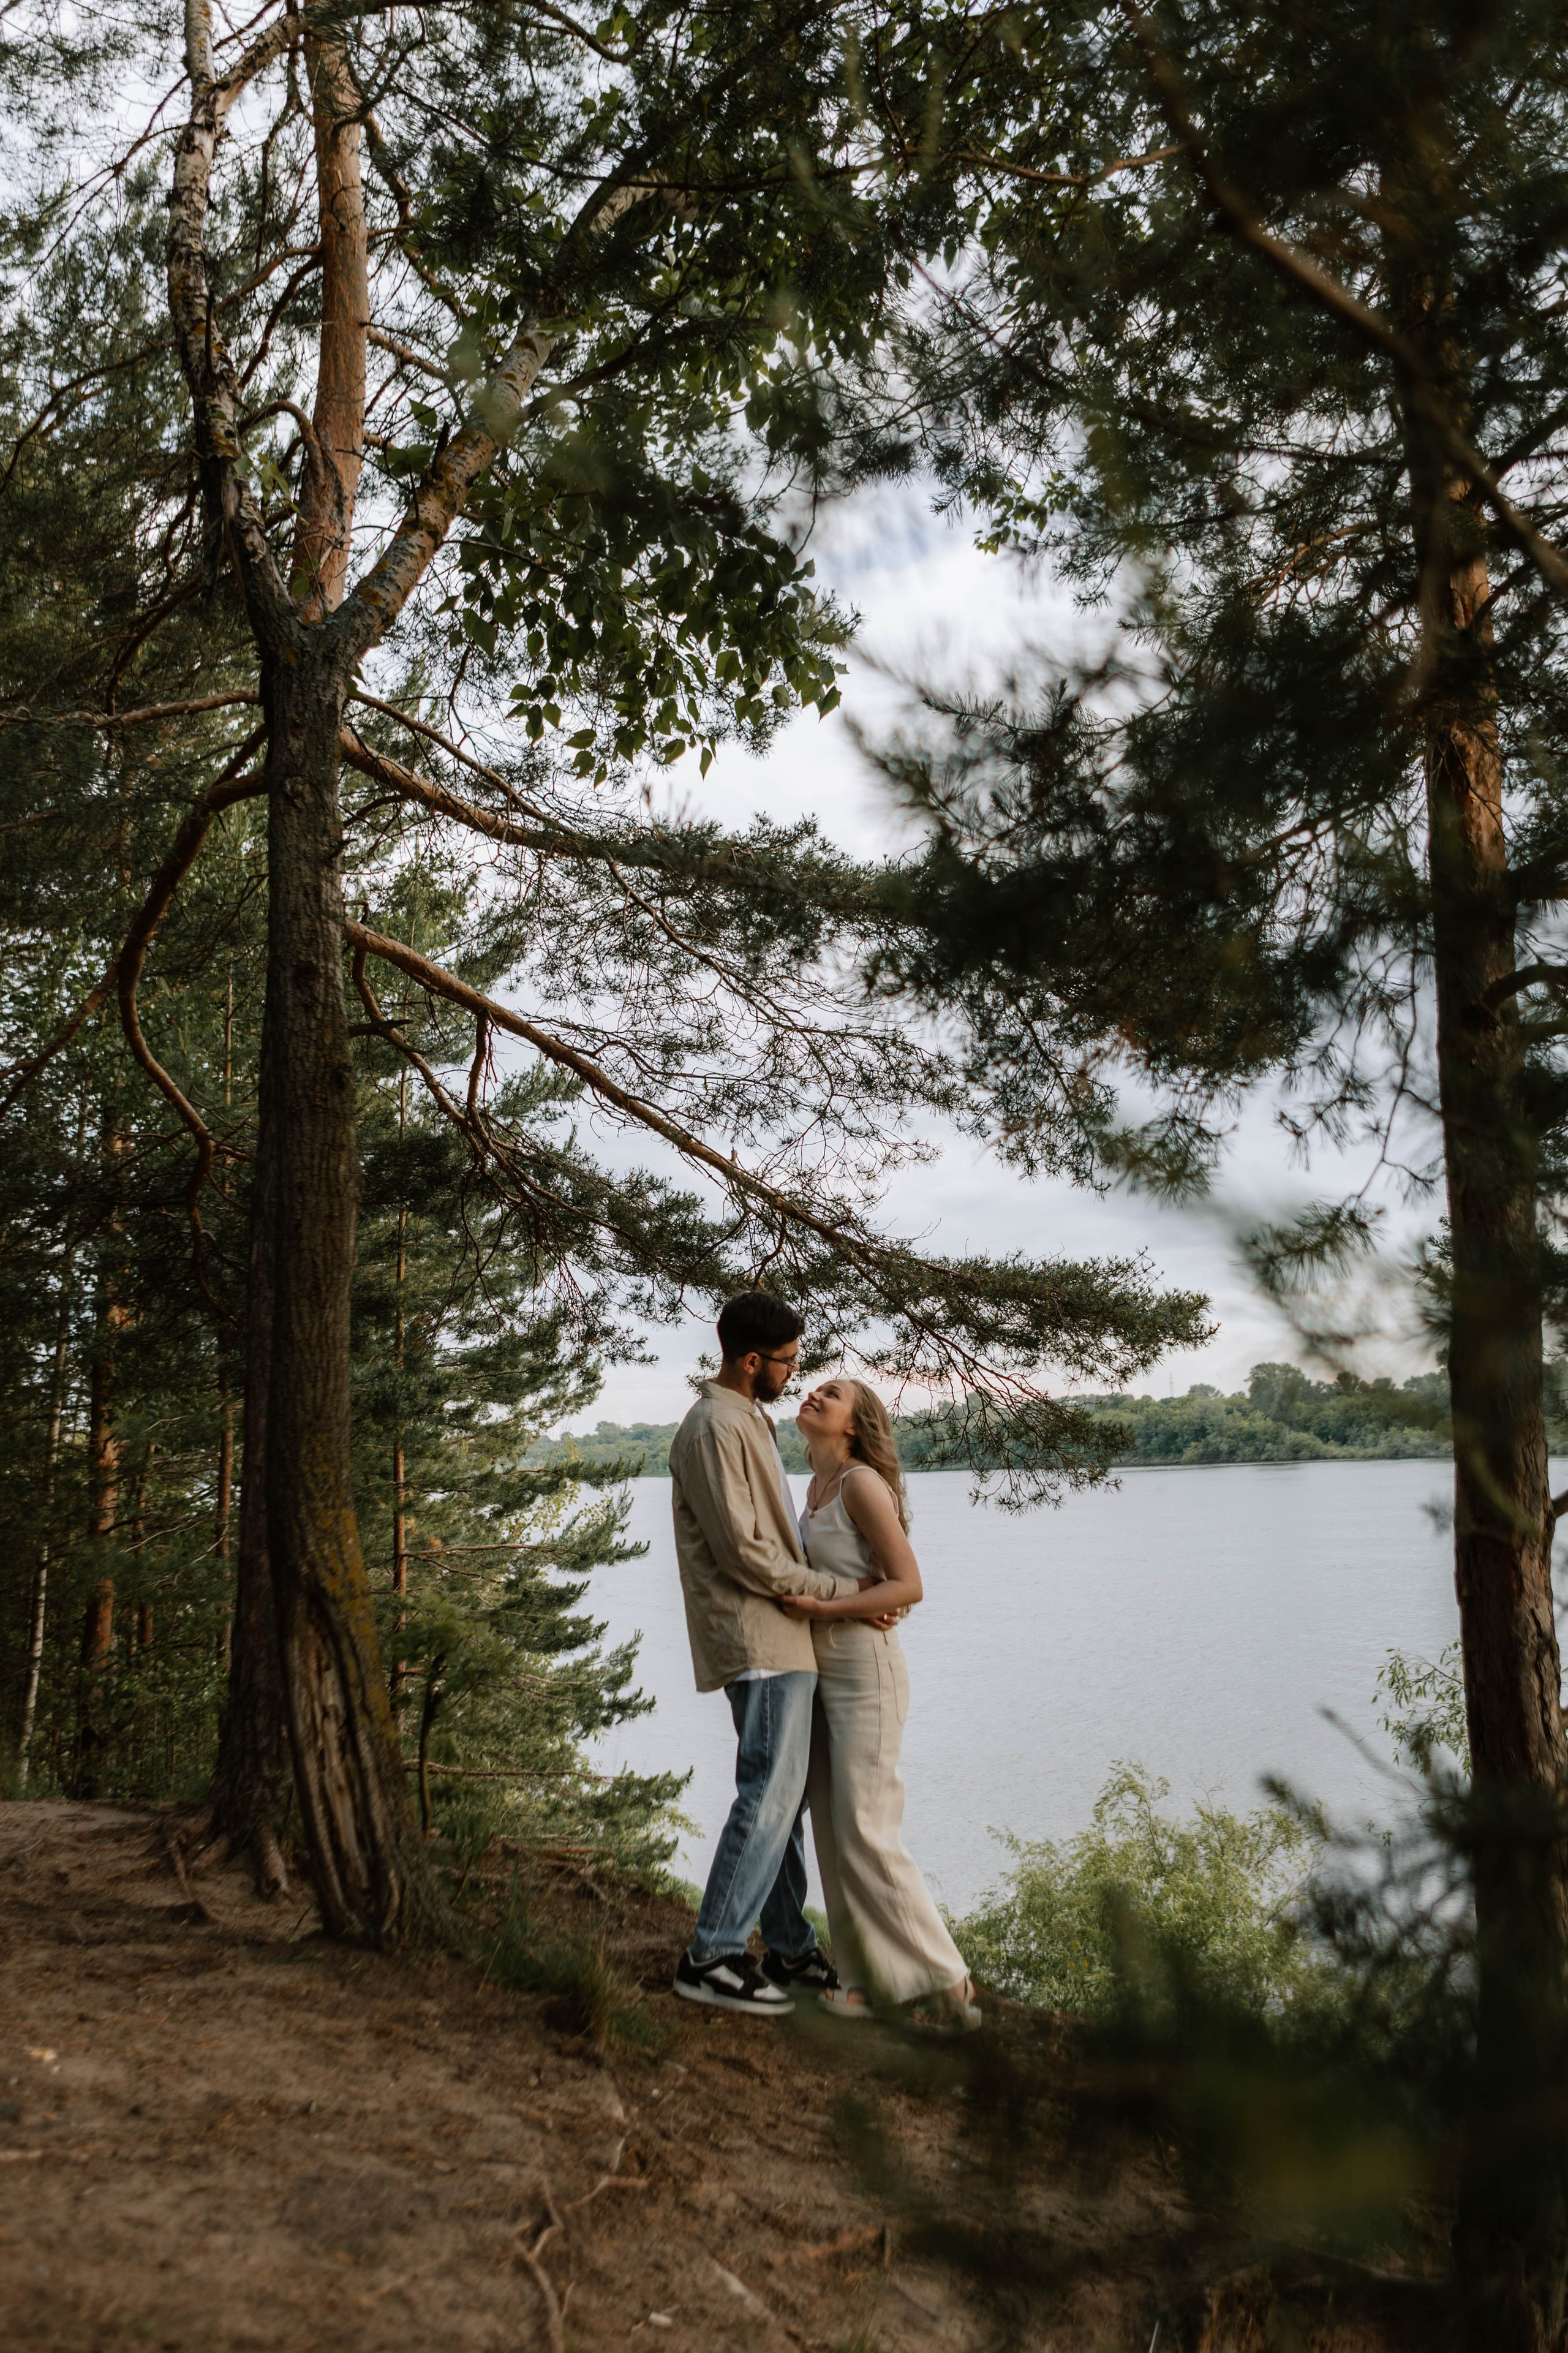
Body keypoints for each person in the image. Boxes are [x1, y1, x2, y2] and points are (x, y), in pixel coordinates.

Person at [668, 1292, 868, 2015]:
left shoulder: (746, 1418)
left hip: (782, 1633)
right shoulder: (715, 1427)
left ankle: (785, 1942)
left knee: (781, 1799)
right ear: (751, 1361)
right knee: (769, 1793)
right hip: (758, 1635)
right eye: (786, 1362)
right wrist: (840, 1590)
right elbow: (744, 1552)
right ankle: (711, 1955)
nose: (794, 1374)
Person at [780, 1376, 981, 2028]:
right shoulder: (811, 1486)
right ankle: (865, 1977)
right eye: (812, 1388)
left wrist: (824, 1603)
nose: (812, 1395)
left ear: (854, 1424)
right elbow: (870, 1581)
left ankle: (945, 1978)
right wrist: (844, 1592)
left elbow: (909, 1584)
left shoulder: (861, 1482)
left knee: (867, 1824)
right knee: (834, 1829)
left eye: (829, 1394)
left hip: (865, 1671)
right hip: (820, 1667)